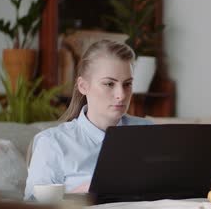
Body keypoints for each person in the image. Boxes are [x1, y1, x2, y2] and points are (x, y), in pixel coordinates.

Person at [24, 40, 152, 200]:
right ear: (83, 86)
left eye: (127, 84)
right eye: (109, 84)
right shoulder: (52, 143)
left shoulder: (148, 131)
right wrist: (81, 192)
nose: (121, 95)